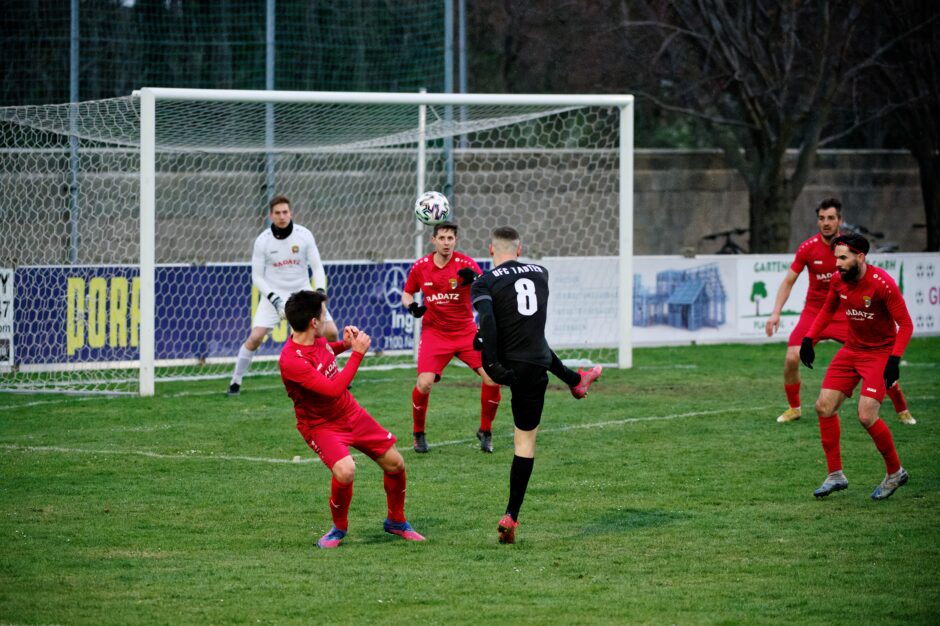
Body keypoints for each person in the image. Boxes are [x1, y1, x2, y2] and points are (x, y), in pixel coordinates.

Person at [471, 226, 602, 544]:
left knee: (481, 338)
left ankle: (575, 379)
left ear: (491, 250)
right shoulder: (541, 272)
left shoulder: (484, 281)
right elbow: (529, 327)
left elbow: (488, 322)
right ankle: (511, 516)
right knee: (524, 443)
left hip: (506, 363)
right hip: (534, 365)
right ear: (519, 249)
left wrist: (493, 365)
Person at [279, 290, 425, 548]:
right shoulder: (291, 361)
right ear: (313, 322)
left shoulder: (317, 339)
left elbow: (326, 352)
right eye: (323, 315)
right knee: (346, 471)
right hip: (319, 425)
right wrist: (357, 354)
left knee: (396, 464)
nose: (326, 319)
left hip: (349, 412)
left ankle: (396, 521)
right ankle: (338, 529)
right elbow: (333, 390)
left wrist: (345, 345)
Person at [765, 198, 914, 425]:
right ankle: (794, 408)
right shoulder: (807, 248)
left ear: (839, 221)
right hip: (816, 311)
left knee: (878, 359)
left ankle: (902, 408)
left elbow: (901, 321)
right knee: (791, 357)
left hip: (849, 314)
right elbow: (788, 281)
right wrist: (776, 312)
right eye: (821, 218)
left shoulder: (851, 249)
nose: (826, 223)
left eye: (831, 218)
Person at [799, 233, 913, 501]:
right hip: (851, 349)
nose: (835, 264)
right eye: (834, 257)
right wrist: (808, 339)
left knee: (866, 415)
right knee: (823, 406)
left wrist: (894, 359)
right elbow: (827, 310)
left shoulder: (882, 284)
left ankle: (895, 472)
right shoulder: (838, 280)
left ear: (860, 257)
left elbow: (906, 325)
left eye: (842, 258)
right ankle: (835, 475)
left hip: (879, 354)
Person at [402, 222, 502, 453]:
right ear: (433, 240)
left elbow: (486, 289)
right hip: (434, 333)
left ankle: (485, 431)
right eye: (442, 238)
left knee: (493, 378)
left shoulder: (465, 264)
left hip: (465, 332)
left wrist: (476, 280)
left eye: (450, 238)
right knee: (424, 383)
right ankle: (418, 433)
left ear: (455, 241)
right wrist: (412, 307)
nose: (447, 242)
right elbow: (407, 293)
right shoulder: (421, 267)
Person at [228, 195, 337, 396]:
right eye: (277, 213)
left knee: (331, 333)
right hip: (274, 296)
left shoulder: (304, 235)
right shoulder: (262, 241)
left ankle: (334, 376)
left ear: (291, 213)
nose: (282, 216)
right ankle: (235, 382)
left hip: (303, 294)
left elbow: (317, 268)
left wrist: (319, 293)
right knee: (255, 338)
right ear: (271, 216)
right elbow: (257, 277)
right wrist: (275, 299)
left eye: (285, 212)